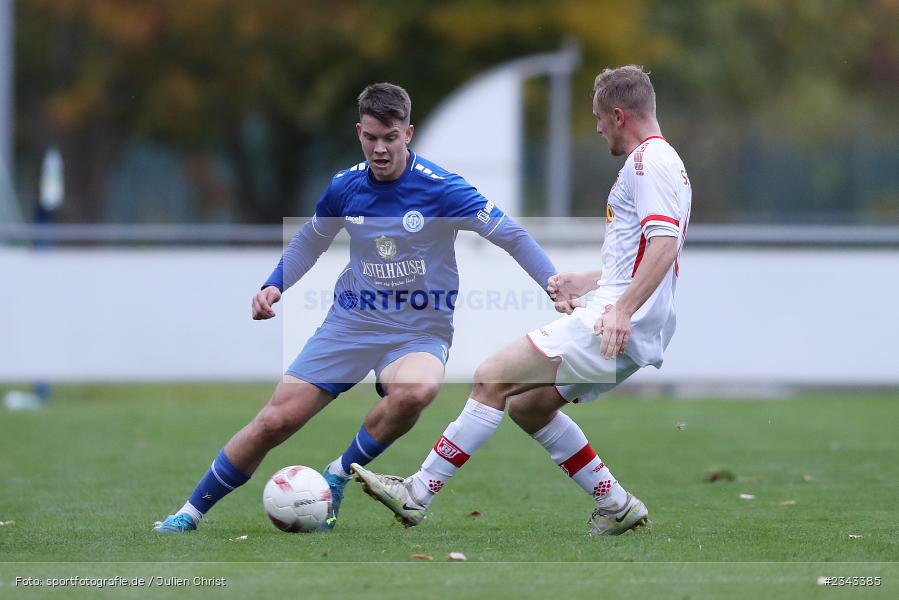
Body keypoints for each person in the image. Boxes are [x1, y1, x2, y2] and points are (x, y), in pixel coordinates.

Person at [153, 82, 557, 533]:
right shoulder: (345, 187)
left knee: (418, 390)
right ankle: (189, 513)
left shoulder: (442, 189)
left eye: (390, 138)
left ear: (409, 133)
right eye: (371, 138)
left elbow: (512, 235)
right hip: (351, 323)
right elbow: (311, 238)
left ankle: (339, 473)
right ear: (359, 131)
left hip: (418, 331)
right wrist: (274, 284)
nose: (379, 149)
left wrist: (552, 282)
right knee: (274, 421)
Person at [353, 65, 692, 536]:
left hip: (616, 322)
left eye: (598, 117)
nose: (596, 128)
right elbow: (644, 253)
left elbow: (665, 244)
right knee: (529, 406)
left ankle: (417, 493)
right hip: (630, 319)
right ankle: (617, 505)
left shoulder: (644, 164)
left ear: (618, 115)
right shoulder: (666, 161)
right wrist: (590, 282)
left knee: (491, 377)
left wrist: (620, 308)